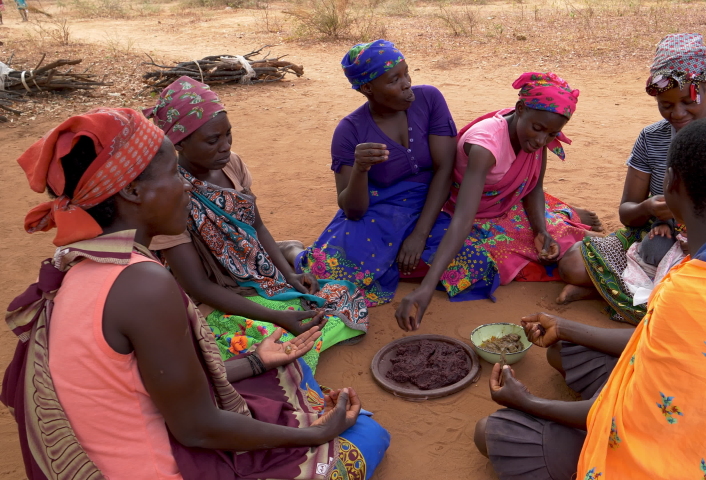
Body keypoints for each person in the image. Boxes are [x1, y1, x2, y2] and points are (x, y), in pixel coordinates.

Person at [2, 107, 390, 480]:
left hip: (132, 437)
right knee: (364, 437)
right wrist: (315, 436)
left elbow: (142, 386)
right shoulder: (144, 285)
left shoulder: (83, 265)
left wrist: (256, 361)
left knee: (284, 367)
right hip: (157, 465)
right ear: (134, 192)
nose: (185, 188)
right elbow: (197, 430)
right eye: (173, 175)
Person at [473, 117, 706, 480]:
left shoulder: (691, 289)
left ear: (672, 183)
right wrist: (566, 328)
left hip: (673, 461)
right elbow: (660, 337)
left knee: (493, 430)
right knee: (563, 349)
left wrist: (529, 403)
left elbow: (625, 417)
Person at [557, 33, 706, 325]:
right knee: (573, 265)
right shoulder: (651, 138)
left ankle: (617, 295)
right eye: (666, 105)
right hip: (660, 237)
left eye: (688, 101)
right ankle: (623, 294)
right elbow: (628, 210)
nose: (678, 113)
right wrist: (650, 210)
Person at [145, 76, 368, 370]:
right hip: (219, 296)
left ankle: (301, 328)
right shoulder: (170, 196)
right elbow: (198, 286)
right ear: (180, 143)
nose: (225, 146)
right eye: (213, 140)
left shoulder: (232, 165)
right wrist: (275, 316)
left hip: (259, 276)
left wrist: (290, 276)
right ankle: (295, 343)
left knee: (343, 295)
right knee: (270, 339)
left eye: (228, 135)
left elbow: (258, 227)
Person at [293, 39, 497, 307]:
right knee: (327, 274)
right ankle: (293, 251)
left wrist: (418, 236)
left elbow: (445, 169)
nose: (407, 83)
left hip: (431, 203)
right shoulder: (350, 131)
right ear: (368, 88)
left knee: (476, 264)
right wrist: (361, 170)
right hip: (379, 212)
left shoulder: (429, 100)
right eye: (394, 80)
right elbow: (353, 210)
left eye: (406, 73)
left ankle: (384, 265)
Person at [395, 72, 603, 331]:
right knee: (487, 262)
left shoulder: (537, 132)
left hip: (506, 202)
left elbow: (534, 185)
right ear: (520, 108)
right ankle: (566, 222)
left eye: (552, 135)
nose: (541, 141)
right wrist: (426, 289)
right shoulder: (486, 145)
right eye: (538, 129)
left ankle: (563, 223)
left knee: (560, 239)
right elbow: (463, 219)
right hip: (471, 213)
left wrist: (540, 231)